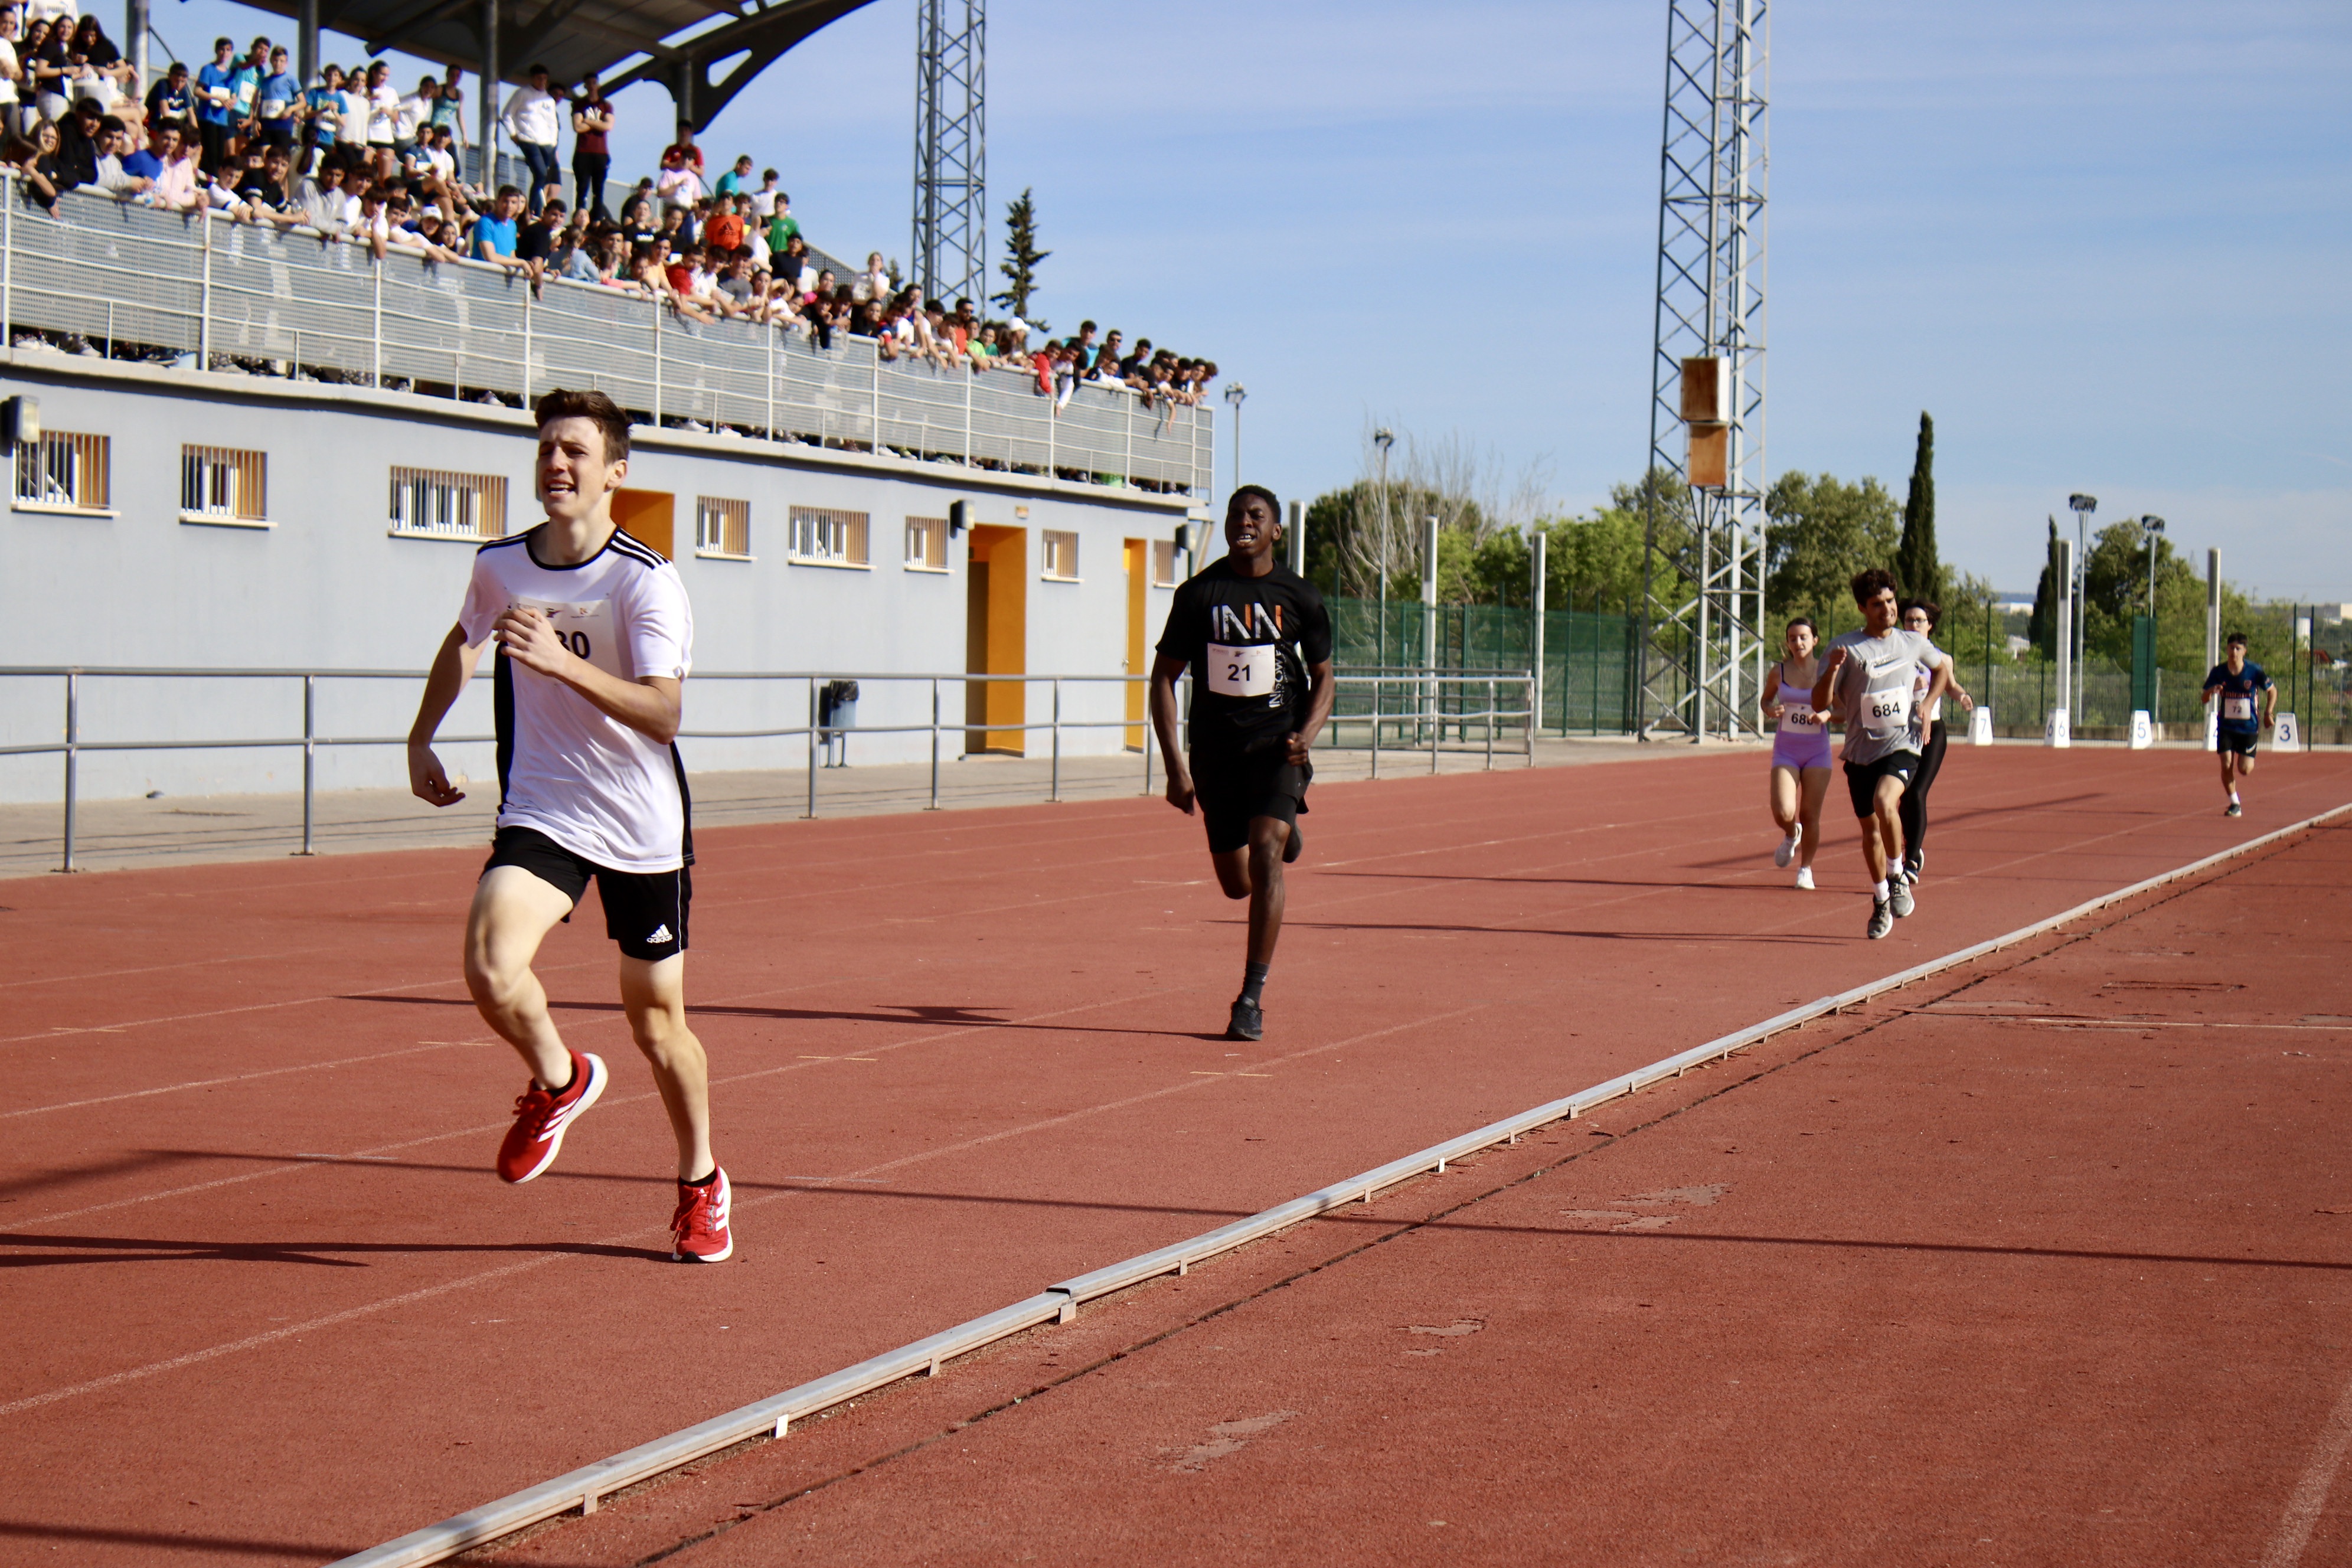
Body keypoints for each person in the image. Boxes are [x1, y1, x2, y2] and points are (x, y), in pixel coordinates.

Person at [405, 387, 729, 1263]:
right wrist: (421, 736)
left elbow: (664, 715)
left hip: (642, 825)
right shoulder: (502, 565)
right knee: (488, 962)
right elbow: (464, 638)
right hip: (544, 806)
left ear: (614, 473)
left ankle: (701, 1180)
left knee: (658, 1029)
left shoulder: (644, 579)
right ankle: (560, 1076)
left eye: (575, 451)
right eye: (546, 447)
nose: (556, 462)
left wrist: (557, 662)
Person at [1148, 485, 1335, 1041]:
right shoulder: (1199, 594)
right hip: (1217, 751)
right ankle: (1284, 830)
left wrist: (1307, 733)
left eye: (1257, 516)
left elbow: (1324, 675)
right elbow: (1163, 677)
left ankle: (1250, 996)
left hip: (1278, 745)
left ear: (1276, 530)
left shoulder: (1300, 597)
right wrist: (1175, 767)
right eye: (1236, 515)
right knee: (1237, 883)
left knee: (1267, 854)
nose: (1244, 522)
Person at [1811, 567, 1951, 940]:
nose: (1887, 609)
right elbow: (1819, 700)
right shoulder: (1845, 648)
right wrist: (1832, 673)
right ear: (1862, 608)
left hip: (1902, 744)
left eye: (1890, 601)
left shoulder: (1911, 642)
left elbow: (1943, 668)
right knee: (1870, 830)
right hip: (1859, 751)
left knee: (1887, 801)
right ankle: (1880, 899)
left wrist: (1928, 704)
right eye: (1878, 604)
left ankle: (1898, 875)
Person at [1896, 600, 1974, 884]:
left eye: (1919, 620)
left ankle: (1912, 858)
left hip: (1933, 733)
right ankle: (1911, 843)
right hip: (1902, 733)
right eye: (1908, 620)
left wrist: (1963, 697)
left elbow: (1950, 685)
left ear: (1930, 625)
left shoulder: (1942, 659)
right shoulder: (1896, 656)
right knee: (1901, 796)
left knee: (1917, 793)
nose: (1913, 625)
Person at [1759, 616, 1831, 889]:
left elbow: (1844, 710)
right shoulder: (1779, 672)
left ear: (1815, 640)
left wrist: (1825, 714)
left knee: (1810, 814)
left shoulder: (1827, 672)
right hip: (1786, 751)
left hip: (1817, 753)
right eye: (1792, 638)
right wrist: (1770, 709)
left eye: (1803, 637)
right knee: (1783, 811)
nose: (1797, 643)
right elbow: (1766, 700)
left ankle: (1806, 868)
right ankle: (1791, 834)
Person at [2203, 632, 2274, 818]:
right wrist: (2211, 691)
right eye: (2231, 648)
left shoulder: (2254, 671)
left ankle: (2249, 757)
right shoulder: (2218, 672)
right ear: (2227, 649)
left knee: (2244, 770)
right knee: (2226, 764)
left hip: (2249, 727)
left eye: (2238, 649)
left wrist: (2268, 713)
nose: (2234, 652)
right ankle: (2235, 803)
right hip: (2226, 726)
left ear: (2244, 651)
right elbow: (2204, 698)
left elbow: (2272, 691)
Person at [501, 63, 561, 213]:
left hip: (546, 142)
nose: (542, 82)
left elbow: (553, 123)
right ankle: (533, 208)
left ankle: (536, 207)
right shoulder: (522, 93)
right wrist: (513, 133)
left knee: (543, 177)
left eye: (545, 79)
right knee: (541, 173)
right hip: (527, 139)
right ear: (533, 78)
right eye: (539, 78)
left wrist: (553, 142)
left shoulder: (549, 100)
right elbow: (507, 114)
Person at [194, 37, 239, 174]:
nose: (225, 53)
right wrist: (216, 97)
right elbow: (197, 90)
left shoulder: (230, 74)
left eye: (228, 50)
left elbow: (234, 95)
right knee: (209, 152)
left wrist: (232, 101)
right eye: (222, 49)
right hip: (208, 117)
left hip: (222, 119)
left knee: (220, 154)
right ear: (216, 51)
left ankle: (214, 178)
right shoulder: (208, 69)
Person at [569, 73, 611, 219]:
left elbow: (608, 125)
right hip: (583, 151)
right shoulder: (580, 104)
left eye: (594, 83)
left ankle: (597, 219)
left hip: (601, 153)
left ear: (598, 85)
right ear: (585, 86)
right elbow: (577, 127)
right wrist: (597, 124)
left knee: (598, 189)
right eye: (589, 83)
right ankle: (580, 216)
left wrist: (588, 121)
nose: (592, 86)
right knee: (582, 188)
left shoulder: (606, 105)